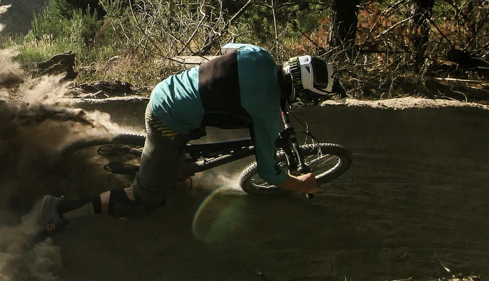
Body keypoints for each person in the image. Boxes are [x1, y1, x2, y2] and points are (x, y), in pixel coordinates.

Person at [41, 45, 337, 235]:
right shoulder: (267, 112)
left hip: (171, 90)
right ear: (302, 91)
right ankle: (60, 210)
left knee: (192, 138)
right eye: (313, 98)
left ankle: (169, 166)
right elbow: (269, 172)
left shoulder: (260, 55)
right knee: (144, 202)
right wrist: (299, 184)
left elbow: (228, 48)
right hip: (166, 119)